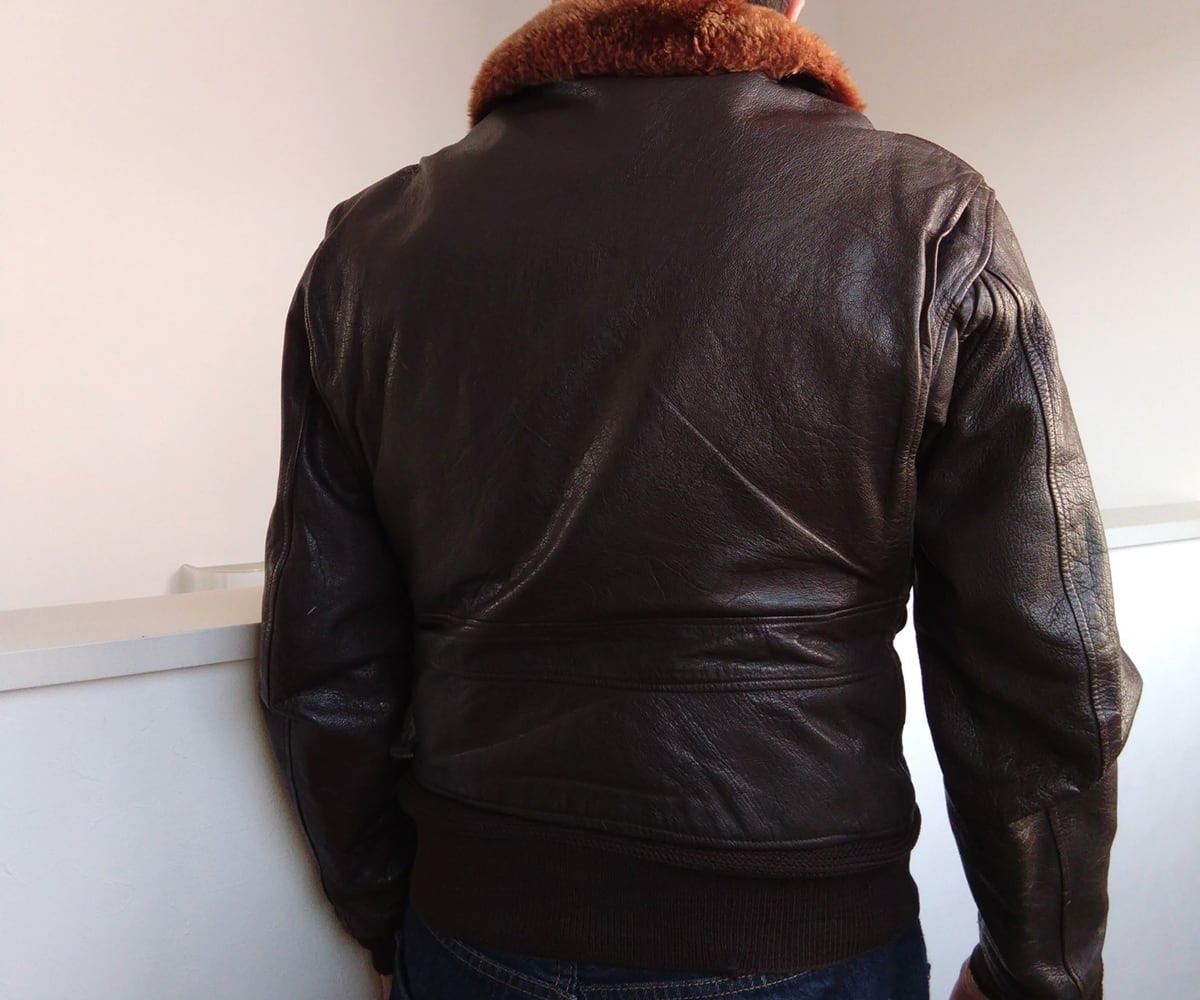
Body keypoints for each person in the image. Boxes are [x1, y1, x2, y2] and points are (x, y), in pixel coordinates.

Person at [256, 1, 1143, 998]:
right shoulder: (928, 214)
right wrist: (1040, 968)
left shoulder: (376, 241)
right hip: (799, 927)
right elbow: (1041, 657)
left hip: (474, 929)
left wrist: (388, 915)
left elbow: (322, 656)